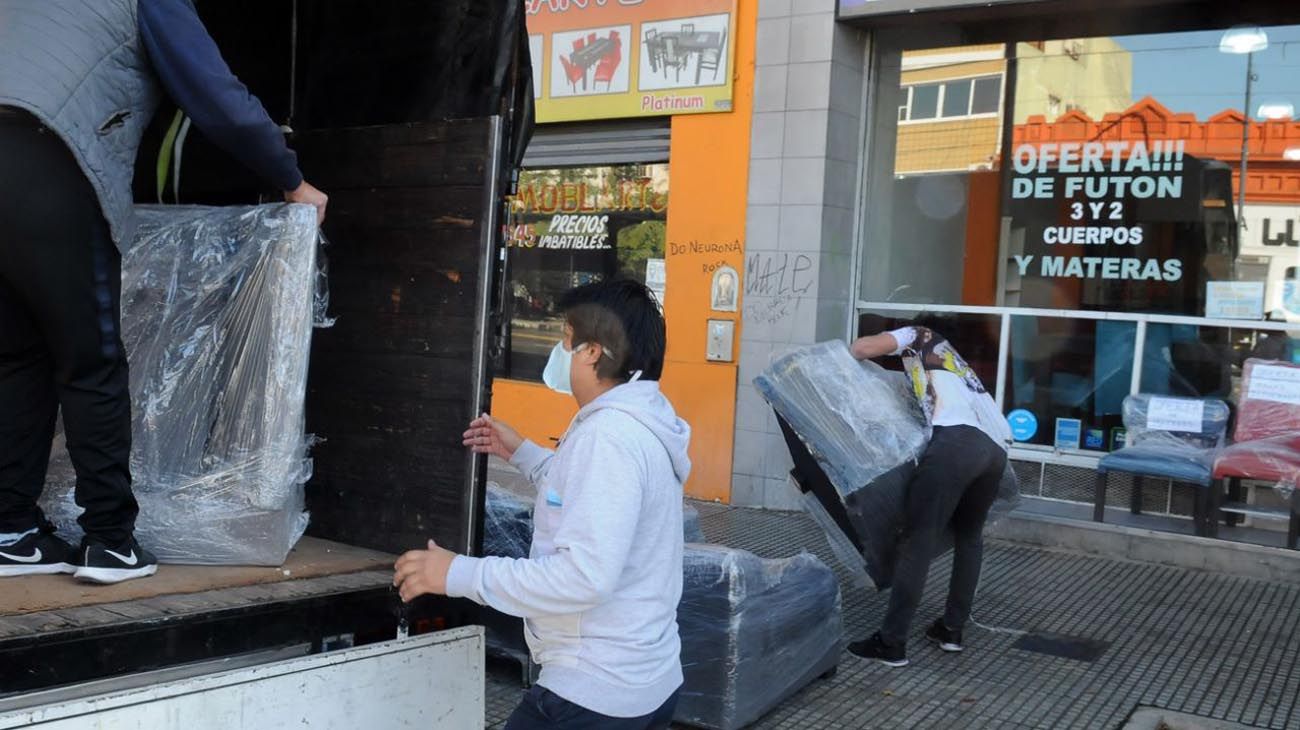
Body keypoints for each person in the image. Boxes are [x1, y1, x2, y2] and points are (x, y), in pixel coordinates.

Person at [0, 0, 329, 585]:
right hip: (46, 164)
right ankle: (110, 542)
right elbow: (217, 98)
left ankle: (11, 530)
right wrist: (291, 179)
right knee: (90, 360)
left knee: (16, 354)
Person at [394, 279, 691, 730]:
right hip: (647, 681)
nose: (560, 351)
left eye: (566, 340)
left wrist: (457, 573)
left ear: (593, 352)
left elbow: (583, 577)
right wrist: (524, 454)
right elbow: (596, 498)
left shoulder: (608, 436)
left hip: (594, 692)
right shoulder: (642, 421)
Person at [845, 322, 1010, 667]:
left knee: (917, 541)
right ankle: (951, 630)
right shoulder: (955, 366)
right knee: (969, 538)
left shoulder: (918, 335)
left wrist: (837, 360)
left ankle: (891, 643)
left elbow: (861, 349)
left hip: (957, 444)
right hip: (994, 450)